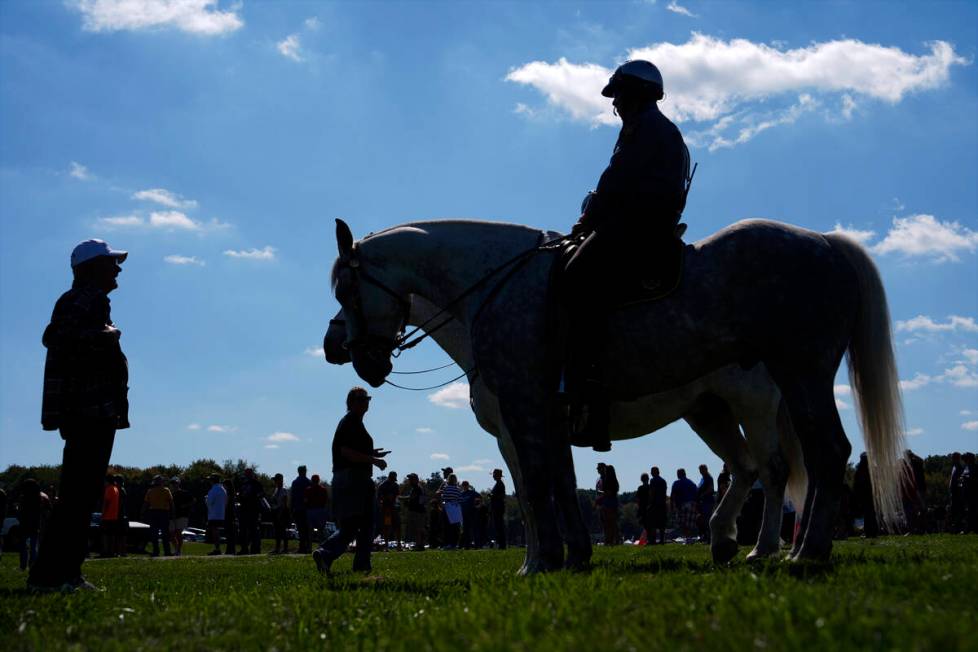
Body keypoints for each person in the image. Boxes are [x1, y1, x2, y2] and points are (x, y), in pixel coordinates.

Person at [562, 60, 691, 452]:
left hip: (636, 227)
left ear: (635, 95)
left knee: (574, 277)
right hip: (645, 224)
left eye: (619, 95)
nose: (615, 104)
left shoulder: (646, 129)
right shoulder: (653, 128)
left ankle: (589, 391)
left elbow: (616, 180)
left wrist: (587, 220)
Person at [28, 239, 130, 593]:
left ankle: (62, 573)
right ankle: (55, 576)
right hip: (88, 409)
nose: (117, 269)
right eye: (111, 263)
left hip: (91, 409)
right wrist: (107, 334)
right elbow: (58, 338)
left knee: (81, 496)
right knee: (77, 496)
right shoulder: (85, 300)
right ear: (90, 269)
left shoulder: (86, 300)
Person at [313, 387, 390, 574]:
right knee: (359, 524)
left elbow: (352, 450)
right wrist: (374, 460)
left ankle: (349, 562)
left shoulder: (354, 423)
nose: (366, 401)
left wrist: (371, 453)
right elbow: (346, 452)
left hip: (352, 478)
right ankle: (329, 554)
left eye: (367, 398)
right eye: (361, 398)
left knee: (360, 524)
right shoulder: (349, 422)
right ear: (351, 402)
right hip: (353, 479)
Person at [17, 479, 44, 571]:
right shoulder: (38, 498)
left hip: (25, 524)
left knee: (23, 546)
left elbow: (20, 512)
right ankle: (32, 565)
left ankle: (23, 565)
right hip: (34, 524)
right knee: (33, 547)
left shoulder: (23, 498)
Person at [143, 475, 173, 557]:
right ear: (162, 482)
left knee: (154, 533)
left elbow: (146, 503)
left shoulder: (150, 491)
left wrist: (142, 512)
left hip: (153, 512)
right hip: (164, 513)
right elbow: (171, 502)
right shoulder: (166, 490)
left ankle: (156, 551)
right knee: (165, 533)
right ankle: (167, 551)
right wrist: (172, 512)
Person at [237, 468, 264, 555]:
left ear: (252, 474)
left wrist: (254, 497)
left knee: (253, 530)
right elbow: (240, 494)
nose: (247, 475)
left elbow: (261, 494)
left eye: (249, 473)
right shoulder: (243, 484)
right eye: (246, 473)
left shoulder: (256, 484)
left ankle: (255, 549)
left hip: (253, 510)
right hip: (244, 509)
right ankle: (244, 549)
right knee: (243, 530)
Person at [853, 452, 877, 538]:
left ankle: (870, 532)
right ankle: (872, 532)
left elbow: (856, 485)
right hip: (870, 495)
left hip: (866, 496)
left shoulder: (860, 469)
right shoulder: (870, 469)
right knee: (871, 514)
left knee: (868, 514)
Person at [671, 469, 698, 542]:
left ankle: (686, 538)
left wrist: (672, 506)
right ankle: (688, 538)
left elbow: (673, 495)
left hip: (682, 505)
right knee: (689, 523)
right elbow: (696, 494)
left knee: (682, 523)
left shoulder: (676, 483)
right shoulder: (691, 483)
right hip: (692, 504)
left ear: (679, 474)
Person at [169, 477, 194, 556]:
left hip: (182, 515)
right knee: (171, 534)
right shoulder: (170, 494)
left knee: (178, 533)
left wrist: (184, 506)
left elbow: (193, 500)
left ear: (178, 484)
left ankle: (178, 551)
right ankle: (177, 549)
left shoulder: (184, 492)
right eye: (172, 483)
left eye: (175, 483)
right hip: (172, 516)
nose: (173, 485)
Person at [290, 466, 312, 554]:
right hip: (307, 509)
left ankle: (302, 546)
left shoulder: (295, 482)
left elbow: (292, 497)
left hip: (298, 508)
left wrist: (291, 508)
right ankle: (306, 547)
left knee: (300, 528)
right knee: (307, 529)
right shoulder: (308, 482)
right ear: (305, 471)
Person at [377, 471, 401, 550]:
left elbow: (397, 496)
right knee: (387, 526)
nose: (393, 480)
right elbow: (379, 498)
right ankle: (386, 545)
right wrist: (385, 498)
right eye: (392, 478)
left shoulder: (395, 485)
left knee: (397, 526)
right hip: (386, 508)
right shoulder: (383, 486)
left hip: (394, 508)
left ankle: (398, 545)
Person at [438, 474, 463, 549]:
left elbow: (443, 498)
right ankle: (454, 543)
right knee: (455, 528)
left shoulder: (446, 488)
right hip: (456, 508)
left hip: (448, 507)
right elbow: (460, 499)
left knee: (447, 527)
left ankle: (447, 543)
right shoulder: (458, 489)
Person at [404, 473, 427, 551]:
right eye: (409, 479)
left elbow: (412, 498)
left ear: (416, 480)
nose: (409, 481)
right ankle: (420, 545)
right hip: (418, 511)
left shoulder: (417, 488)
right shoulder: (416, 488)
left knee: (418, 529)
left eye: (411, 479)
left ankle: (419, 545)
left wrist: (400, 497)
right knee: (419, 529)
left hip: (417, 511)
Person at [205, 475, 227, 556]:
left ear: (213, 481)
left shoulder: (213, 490)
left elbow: (209, 502)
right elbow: (225, 501)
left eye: (210, 480)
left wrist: (206, 499)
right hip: (221, 514)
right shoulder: (223, 489)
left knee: (215, 531)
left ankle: (217, 549)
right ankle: (218, 548)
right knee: (217, 531)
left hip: (213, 514)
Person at [99, 475, 120, 557]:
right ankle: (112, 551)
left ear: (107, 481)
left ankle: (106, 551)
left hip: (107, 516)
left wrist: (103, 513)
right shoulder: (116, 489)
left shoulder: (108, 489)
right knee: (112, 535)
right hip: (114, 515)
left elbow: (106, 502)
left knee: (105, 535)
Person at [305, 474, 330, 543]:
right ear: (318, 480)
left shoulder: (308, 490)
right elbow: (326, 501)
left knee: (310, 530)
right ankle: (321, 546)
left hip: (311, 511)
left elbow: (305, 501)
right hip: (320, 510)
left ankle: (309, 547)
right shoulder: (323, 490)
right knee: (320, 530)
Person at [600, 465, 621, 545]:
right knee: (613, 523)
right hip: (614, 502)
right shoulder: (615, 481)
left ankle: (609, 540)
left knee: (608, 523)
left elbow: (608, 492)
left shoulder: (608, 481)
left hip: (608, 502)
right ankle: (615, 540)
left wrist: (602, 494)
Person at [270, 473, 290, 554]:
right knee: (277, 531)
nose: (275, 482)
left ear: (280, 480)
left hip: (281, 511)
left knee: (282, 531)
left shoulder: (283, 490)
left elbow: (284, 503)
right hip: (276, 511)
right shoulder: (276, 489)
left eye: (276, 480)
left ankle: (285, 548)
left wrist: (281, 513)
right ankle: (277, 548)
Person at [648, 467, 668, 544]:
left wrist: (650, 503)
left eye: (651, 472)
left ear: (654, 472)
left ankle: (653, 540)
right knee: (662, 523)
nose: (651, 473)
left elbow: (652, 493)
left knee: (653, 523)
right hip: (662, 503)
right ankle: (662, 540)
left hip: (655, 504)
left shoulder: (653, 480)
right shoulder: (663, 481)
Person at [696, 464, 716, 543]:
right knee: (703, 520)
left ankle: (710, 538)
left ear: (706, 469)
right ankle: (706, 537)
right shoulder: (703, 478)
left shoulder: (708, 478)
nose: (700, 471)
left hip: (708, 501)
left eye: (702, 469)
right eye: (700, 470)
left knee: (707, 520)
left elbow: (711, 489)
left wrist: (702, 495)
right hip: (703, 502)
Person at [490, 468, 507, 549]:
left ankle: (502, 544)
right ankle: (501, 544)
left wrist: (492, 496)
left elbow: (501, 496)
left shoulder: (500, 484)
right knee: (498, 526)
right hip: (497, 507)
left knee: (499, 526)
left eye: (494, 475)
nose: (493, 476)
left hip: (498, 507)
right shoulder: (499, 483)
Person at [113, 474, 129, 556]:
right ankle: (122, 552)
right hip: (123, 515)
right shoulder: (122, 489)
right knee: (121, 535)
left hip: (120, 515)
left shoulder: (120, 490)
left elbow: (120, 503)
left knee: (120, 535)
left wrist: (116, 512)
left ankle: (120, 552)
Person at [949, 452, 964, 532]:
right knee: (953, 509)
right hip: (953, 491)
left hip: (957, 491)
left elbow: (959, 480)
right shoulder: (954, 467)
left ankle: (958, 526)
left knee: (957, 509)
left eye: (953, 457)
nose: (952, 459)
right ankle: (954, 526)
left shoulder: (960, 467)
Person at [222, 478, 237, 555]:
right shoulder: (232, 493)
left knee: (229, 532)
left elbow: (226, 504)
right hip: (232, 514)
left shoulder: (229, 493)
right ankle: (232, 549)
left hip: (228, 514)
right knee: (231, 532)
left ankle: (229, 549)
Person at [636, 472, 651, 545]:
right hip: (650, 507)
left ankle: (647, 539)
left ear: (641, 480)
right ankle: (650, 539)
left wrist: (639, 508)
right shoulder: (651, 487)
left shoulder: (640, 488)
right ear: (648, 479)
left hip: (643, 508)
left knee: (645, 525)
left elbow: (638, 500)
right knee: (651, 524)